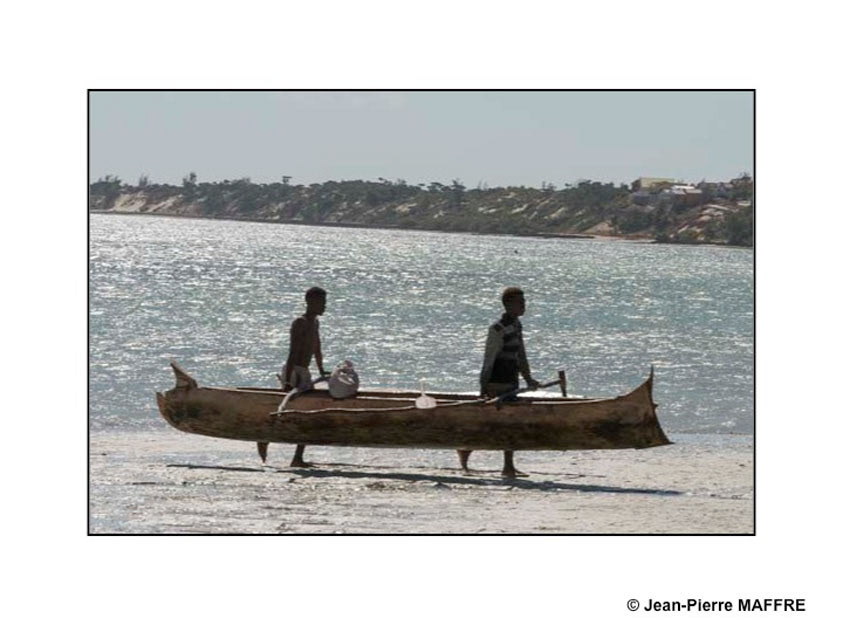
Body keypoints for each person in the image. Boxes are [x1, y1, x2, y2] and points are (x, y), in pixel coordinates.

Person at [458, 286, 539, 478]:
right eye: (520, 302)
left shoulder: (517, 326)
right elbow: (489, 360)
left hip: (511, 381)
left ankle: (507, 466)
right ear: (508, 305)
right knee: (495, 423)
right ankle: (466, 449)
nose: (524, 306)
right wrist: (483, 387)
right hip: (497, 382)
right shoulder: (497, 329)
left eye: (524, 302)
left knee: (510, 423)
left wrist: (528, 378)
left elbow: (521, 355)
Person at [257, 286, 329, 467]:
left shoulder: (315, 323)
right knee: (287, 411)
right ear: (310, 302)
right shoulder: (300, 323)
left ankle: (297, 458)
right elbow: (292, 352)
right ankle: (264, 438)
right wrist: (288, 381)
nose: (324, 306)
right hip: (295, 371)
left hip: (304, 371)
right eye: (321, 302)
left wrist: (322, 370)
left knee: (306, 413)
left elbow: (316, 347)